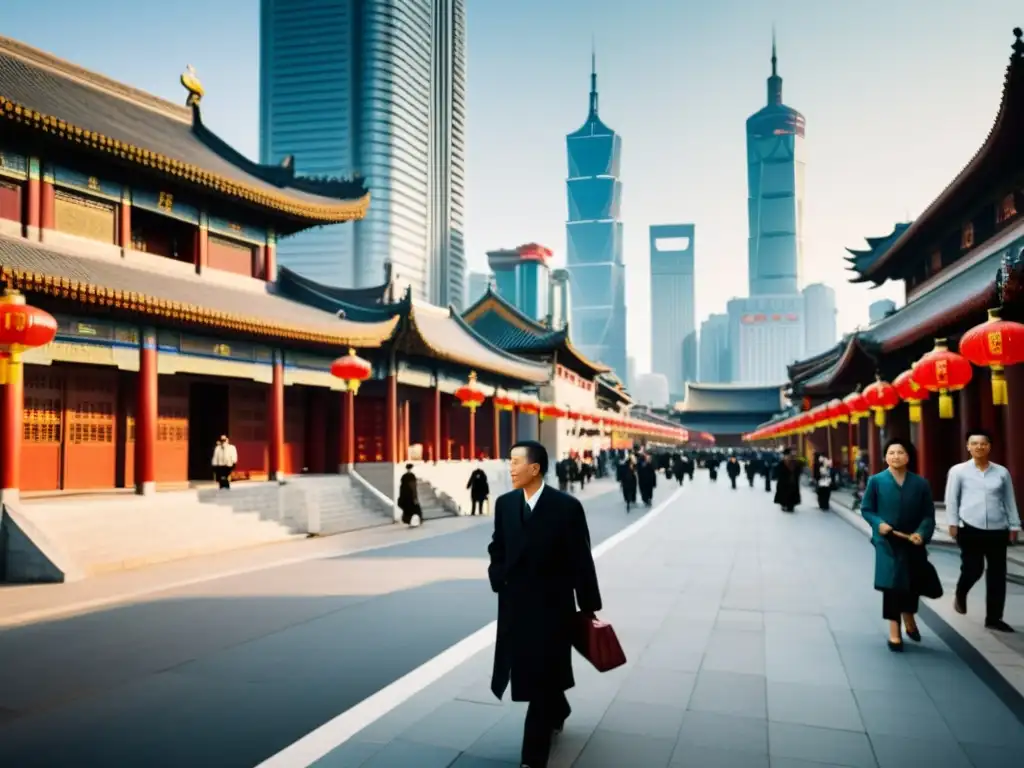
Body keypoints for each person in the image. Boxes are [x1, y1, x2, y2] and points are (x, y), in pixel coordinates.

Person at [487, 440, 602, 768]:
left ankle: (532, 758)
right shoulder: (505, 504)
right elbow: (498, 546)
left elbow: (582, 559)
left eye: (515, 462)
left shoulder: (566, 507)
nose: (510, 468)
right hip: (516, 607)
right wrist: (498, 577)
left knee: (540, 679)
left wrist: (588, 605)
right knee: (538, 672)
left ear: (535, 468)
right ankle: (560, 707)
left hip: (554, 608)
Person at [860, 438, 936, 651]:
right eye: (891, 453)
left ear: (908, 457)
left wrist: (921, 533)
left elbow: (928, 515)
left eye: (900, 452)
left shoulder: (920, 483)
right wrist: (879, 524)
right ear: (885, 457)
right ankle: (895, 633)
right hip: (887, 542)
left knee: (911, 585)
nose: (895, 456)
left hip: (912, 542)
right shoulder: (876, 481)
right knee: (892, 587)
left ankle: (909, 616)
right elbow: (867, 509)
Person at [945, 429, 1020, 633]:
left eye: (983, 443)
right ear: (968, 447)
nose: (979, 447)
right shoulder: (958, 471)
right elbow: (952, 499)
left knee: (997, 574)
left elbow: (1009, 500)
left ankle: (994, 618)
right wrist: (952, 523)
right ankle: (961, 592)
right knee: (973, 568)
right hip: (970, 527)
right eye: (974, 443)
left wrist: (1014, 525)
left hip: (998, 528)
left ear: (990, 447)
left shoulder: (1001, 472)